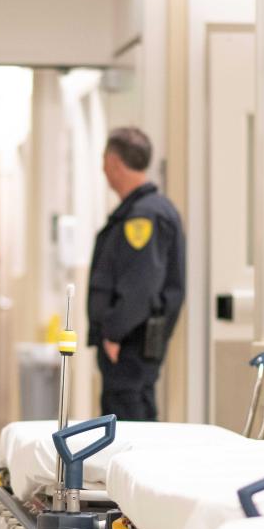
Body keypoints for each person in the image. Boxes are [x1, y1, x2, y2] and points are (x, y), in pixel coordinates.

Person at [87, 127, 187, 421]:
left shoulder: (144, 216)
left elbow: (140, 286)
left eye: (104, 160)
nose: (103, 168)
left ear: (115, 163)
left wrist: (115, 332)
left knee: (128, 424)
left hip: (130, 343)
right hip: (133, 342)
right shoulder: (145, 210)